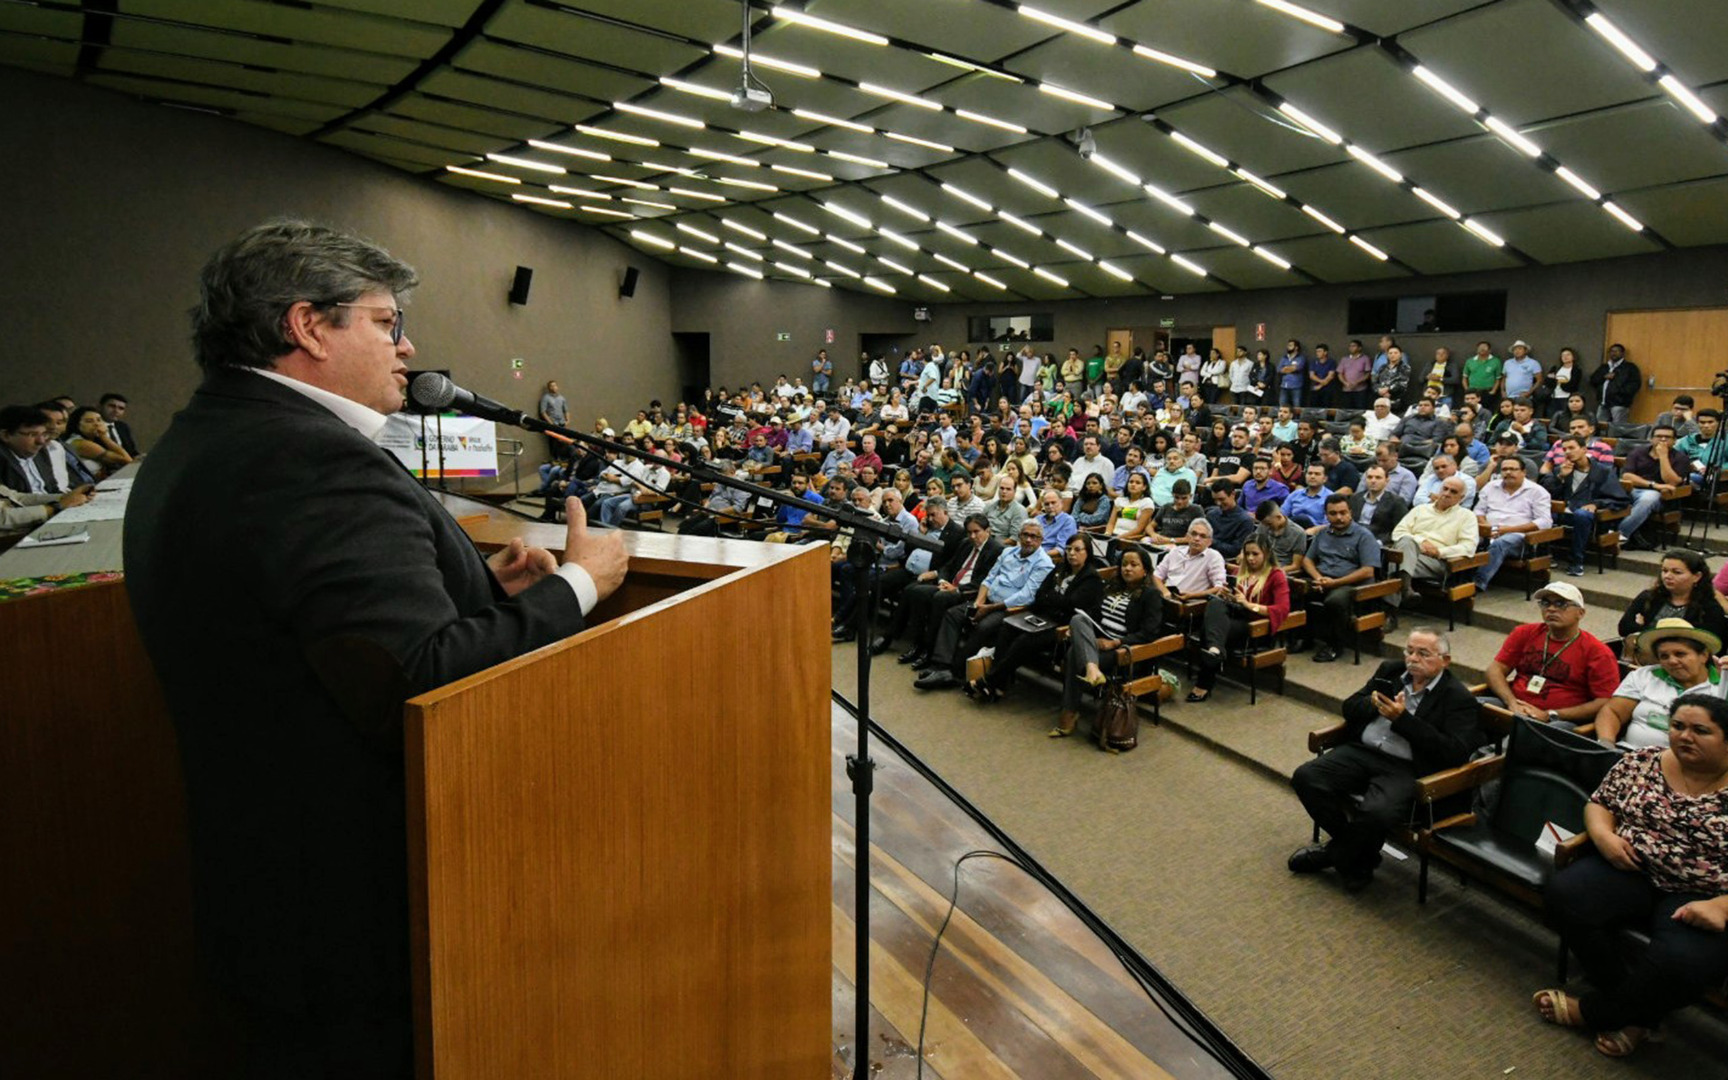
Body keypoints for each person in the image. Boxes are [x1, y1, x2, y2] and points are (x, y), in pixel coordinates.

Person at [122, 220, 629, 1076]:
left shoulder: (211, 437)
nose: (410, 344)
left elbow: (334, 628)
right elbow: (415, 680)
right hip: (349, 907)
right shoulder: (310, 459)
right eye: (387, 321)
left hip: (269, 880)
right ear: (308, 327)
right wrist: (579, 584)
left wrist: (476, 593)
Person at [1536, 694, 1728, 1058]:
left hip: (1705, 894)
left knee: (1682, 964)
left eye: (1700, 730)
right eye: (1678, 726)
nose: (1684, 736)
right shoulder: (1644, 760)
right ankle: (1636, 1008)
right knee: (1564, 896)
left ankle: (1597, 1012)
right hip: (1632, 867)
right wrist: (1604, 836)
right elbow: (1600, 802)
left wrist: (1722, 905)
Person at [1288, 628, 1484, 891]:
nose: (1413, 658)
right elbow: (1350, 706)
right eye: (1409, 651)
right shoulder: (1390, 671)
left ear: (1444, 660)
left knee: (1378, 813)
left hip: (1405, 767)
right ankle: (1360, 856)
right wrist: (1375, 704)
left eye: (1423, 654)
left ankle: (1334, 854)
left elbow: (1453, 752)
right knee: (1306, 777)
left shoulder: (1457, 697)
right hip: (1362, 751)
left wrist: (1403, 720)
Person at [915, 518, 1053, 690]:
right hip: (986, 601)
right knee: (953, 614)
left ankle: (955, 673)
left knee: (983, 627)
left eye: (1034, 536)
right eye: (1025, 535)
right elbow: (989, 578)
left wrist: (988, 609)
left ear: (1041, 540)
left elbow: (1026, 596)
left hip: (1008, 609)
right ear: (1019, 535)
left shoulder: (1044, 563)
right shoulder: (1008, 552)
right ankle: (941, 665)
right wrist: (978, 603)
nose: (1029, 540)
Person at [966, 535, 1105, 702]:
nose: (1071, 553)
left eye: (1077, 550)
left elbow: (1072, 605)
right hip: (1041, 616)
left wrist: (1052, 597)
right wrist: (1055, 599)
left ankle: (990, 681)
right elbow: (1040, 595)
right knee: (1006, 628)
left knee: (1024, 640)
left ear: (1087, 553)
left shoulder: (1091, 578)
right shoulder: (1060, 567)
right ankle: (998, 684)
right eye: (1068, 549)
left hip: (1062, 626)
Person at [1051, 547, 1164, 737]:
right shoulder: (1112, 587)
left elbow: (1149, 633)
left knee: (1072, 654)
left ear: (1145, 570)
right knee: (1078, 620)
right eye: (1124, 564)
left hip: (1123, 651)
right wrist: (1081, 632)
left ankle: (1069, 711)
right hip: (1097, 641)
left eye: (1134, 565)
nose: (1127, 568)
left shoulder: (1150, 595)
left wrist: (1116, 642)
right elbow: (1093, 615)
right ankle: (1092, 668)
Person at [1484, 583, 1620, 726]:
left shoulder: (1597, 652)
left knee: (1543, 731)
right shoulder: (1524, 633)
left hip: (1560, 720)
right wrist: (1511, 702)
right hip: (1515, 706)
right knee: (1469, 704)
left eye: (1561, 604)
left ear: (1580, 613)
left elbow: (1605, 701)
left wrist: (1550, 714)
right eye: (1545, 603)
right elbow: (1495, 670)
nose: (1551, 609)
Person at [1595, 619, 1728, 749]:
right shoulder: (1644, 676)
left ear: (1704, 655)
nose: (1672, 661)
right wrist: (1606, 744)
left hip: (1688, 766)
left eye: (1680, 654)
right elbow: (1613, 712)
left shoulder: (1723, 687)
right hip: (1629, 756)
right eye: (1664, 656)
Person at [889, 514, 1001, 666]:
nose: (973, 536)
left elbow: (983, 581)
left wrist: (956, 588)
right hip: (949, 585)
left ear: (988, 530)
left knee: (940, 598)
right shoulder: (966, 543)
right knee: (914, 591)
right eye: (969, 532)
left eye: (977, 532)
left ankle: (929, 650)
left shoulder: (996, 550)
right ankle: (918, 644)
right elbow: (948, 566)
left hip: (967, 593)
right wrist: (943, 580)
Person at [1189, 536, 1289, 702]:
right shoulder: (1239, 571)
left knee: (1210, 630)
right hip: (1234, 616)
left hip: (1255, 627)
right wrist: (1228, 596)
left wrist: (1248, 604)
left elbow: (1282, 609)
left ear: (1266, 553)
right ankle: (1215, 651)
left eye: (1255, 554)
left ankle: (1204, 681)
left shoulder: (1276, 575)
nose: (1250, 558)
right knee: (1215, 604)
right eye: (1247, 553)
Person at [1542, 435, 1631, 576]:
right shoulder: (1561, 469)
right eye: (1564, 449)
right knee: (1542, 514)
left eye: (1571, 448)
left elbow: (1620, 499)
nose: (1567, 452)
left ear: (1584, 449)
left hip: (1590, 517)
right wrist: (1560, 477)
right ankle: (1544, 556)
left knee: (1582, 515)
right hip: (1563, 512)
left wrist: (1596, 504)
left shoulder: (1603, 471)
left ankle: (1576, 562)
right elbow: (1545, 494)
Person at [1386, 475, 1478, 610]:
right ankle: (1404, 591)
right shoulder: (1420, 509)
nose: (1447, 494)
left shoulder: (1467, 516)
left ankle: (1388, 610)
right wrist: (1421, 541)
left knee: (1391, 564)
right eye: (1445, 489)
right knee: (1402, 547)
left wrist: (1439, 552)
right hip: (1412, 553)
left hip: (1436, 562)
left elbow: (1468, 547)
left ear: (1461, 498)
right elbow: (1398, 532)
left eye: (1453, 492)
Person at [1617, 548, 1728, 647]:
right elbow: (1624, 628)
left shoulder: (1709, 608)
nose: (1667, 576)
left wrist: (1645, 631)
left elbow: (1710, 644)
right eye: (1665, 571)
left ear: (1696, 576)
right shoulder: (1648, 597)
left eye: (1677, 572)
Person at [1472, 456, 1552, 591]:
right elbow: (1478, 510)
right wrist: (1485, 526)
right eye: (1504, 469)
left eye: (1513, 469)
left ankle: (1478, 583)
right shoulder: (1491, 486)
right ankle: (1456, 579)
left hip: (1519, 537)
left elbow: (1544, 521)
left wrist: (1507, 530)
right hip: (1487, 531)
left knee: (1501, 543)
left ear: (1524, 472)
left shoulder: (1537, 491)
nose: (1508, 472)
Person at [1618, 424, 1691, 550]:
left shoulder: (1681, 458)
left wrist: (1663, 456)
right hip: (1634, 488)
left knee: (1648, 498)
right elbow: (1627, 475)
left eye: (1667, 437)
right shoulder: (1638, 452)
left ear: (1674, 441)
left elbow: (1671, 482)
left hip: (1663, 497)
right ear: (1651, 439)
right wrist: (1653, 484)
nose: (1662, 440)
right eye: (1658, 436)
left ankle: (1619, 535)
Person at [1348, 464, 1410, 546]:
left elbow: (1398, 529)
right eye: (1369, 477)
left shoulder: (1396, 502)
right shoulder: (1355, 498)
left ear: (1387, 480)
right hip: (1352, 538)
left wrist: (1380, 542)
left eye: (1378, 478)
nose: (1373, 481)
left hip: (1378, 542)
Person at [1588, 343, 1640, 426]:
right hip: (1603, 403)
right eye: (1611, 351)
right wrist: (1604, 377)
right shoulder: (1605, 367)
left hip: (1619, 403)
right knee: (1599, 426)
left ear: (1622, 353)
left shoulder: (1630, 367)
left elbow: (1634, 385)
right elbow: (1593, 380)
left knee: (1618, 427)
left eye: (1617, 351)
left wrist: (1619, 392)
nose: (1613, 353)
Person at [1205, 480, 1256, 559]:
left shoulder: (1245, 521)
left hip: (1227, 560)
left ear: (1233, 494)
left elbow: (1236, 550)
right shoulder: (1211, 515)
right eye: (1215, 500)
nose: (1218, 503)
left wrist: (1211, 541)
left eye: (1222, 499)